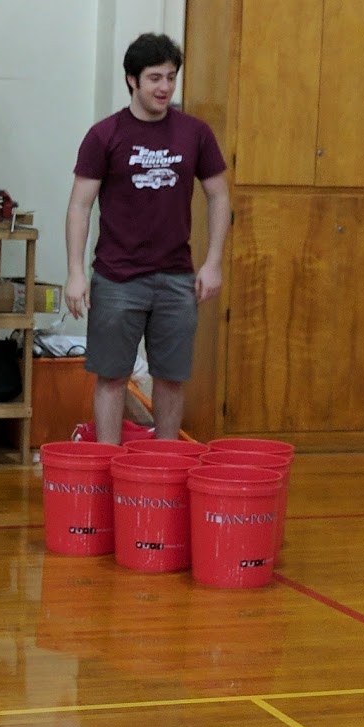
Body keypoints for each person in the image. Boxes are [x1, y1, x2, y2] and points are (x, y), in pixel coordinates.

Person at [64, 32, 231, 442]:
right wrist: (74, 273)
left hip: (176, 277)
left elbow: (219, 196)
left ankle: (165, 464)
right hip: (117, 277)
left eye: (171, 77)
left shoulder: (196, 133)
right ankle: (107, 462)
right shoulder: (105, 134)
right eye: (155, 78)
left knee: (171, 377)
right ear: (131, 80)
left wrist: (212, 263)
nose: (165, 87)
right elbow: (79, 206)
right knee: (112, 377)